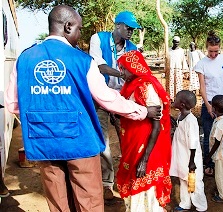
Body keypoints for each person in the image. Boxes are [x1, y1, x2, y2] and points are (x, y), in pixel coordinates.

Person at [4, 5, 161, 211]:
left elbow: (13, 103)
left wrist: (46, 117)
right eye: (79, 29)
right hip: (79, 141)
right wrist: (142, 111)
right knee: (89, 200)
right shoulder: (82, 60)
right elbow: (107, 98)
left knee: (58, 200)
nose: (80, 35)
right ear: (68, 26)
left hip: (43, 143)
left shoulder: (24, 59)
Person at [89, 10, 141, 199]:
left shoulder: (133, 48)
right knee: (103, 142)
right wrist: (121, 74)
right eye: (128, 28)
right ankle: (106, 183)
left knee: (127, 139)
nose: (131, 32)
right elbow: (98, 66)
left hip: (123, 99)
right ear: (117, 25)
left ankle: (127, 179)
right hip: (101, 97)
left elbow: (136, 75)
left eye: (133, 30)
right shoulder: (98, 39)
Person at [116, 50, 172, 211]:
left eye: (123, 68)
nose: (121, 72)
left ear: (133, 68)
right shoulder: (129, 86)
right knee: (132, 176)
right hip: (132, 142)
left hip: (146, 145)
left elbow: (156, 124)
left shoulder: (146, 86)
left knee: (144, 180)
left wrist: (145, 159)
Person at [194, 31, 223, 176]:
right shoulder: (201, 64)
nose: (213, 54)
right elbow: (202, 87)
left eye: (216, 51)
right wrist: (208, 105)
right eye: (211, 51)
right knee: (209, 134)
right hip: (210, 103)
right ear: (206, 48)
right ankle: (209, 163)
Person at [170, 90, 208, 212]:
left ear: (182, 105)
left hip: (190, 159)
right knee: (183, 180)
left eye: (176, 99)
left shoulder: (191, 121)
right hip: (182, 157)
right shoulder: (181, 116)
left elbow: (193, 143)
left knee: (195, 183)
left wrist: (192, 162)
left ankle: (201, 206)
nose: (173, 101)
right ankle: (185, 203)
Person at [204, 95, 223, 203]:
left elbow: (217, 142)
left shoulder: (220, 124)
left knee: (220, 176)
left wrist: (208, 156)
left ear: (214, 108)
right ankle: (222, 190)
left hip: (220, 154)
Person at [169, 36, 188, 101]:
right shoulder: (169, 50)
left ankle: (178, 99)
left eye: (177, 42)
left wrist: (185, 71)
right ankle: (171, 99)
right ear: (172, 42)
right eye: (175, 42)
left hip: (178, 70)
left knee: (178, 85)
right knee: (170, 84)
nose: (176, 44)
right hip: (170, 69)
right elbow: (166, 60)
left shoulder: (181, 51)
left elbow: (183, 61)